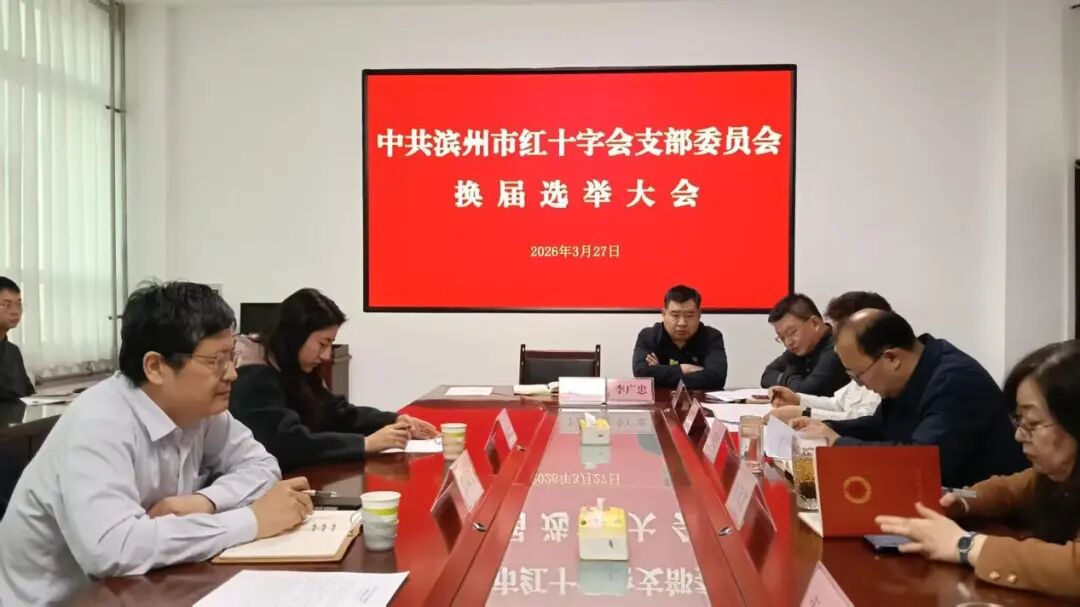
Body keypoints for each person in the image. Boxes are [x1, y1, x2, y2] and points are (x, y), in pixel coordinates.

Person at [0, 282, 312, 606]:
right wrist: (250, 521)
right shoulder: (98, 422)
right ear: (155, 367)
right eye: (216, 360)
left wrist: (205, 501)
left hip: (144, 589)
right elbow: (114, 549)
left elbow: (262, 465)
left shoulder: (200, 410)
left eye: (232, 356)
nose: (232, 374)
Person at [875, 341, 1080, 599]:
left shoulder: (952, 378)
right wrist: (960, 500)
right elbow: (1011, 488)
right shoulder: (1056, 474)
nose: (1019, 435)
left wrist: (965, 545)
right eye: (1019, 421)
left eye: (1033, 423)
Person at [794, 309, 1028, 488]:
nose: (859, 384)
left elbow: (922, 462)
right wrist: (827, 429)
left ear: (891, 358)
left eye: (858, 375)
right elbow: (881, 426)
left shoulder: (954, 381)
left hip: (991, 517)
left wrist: (838, 444)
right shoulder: (912, 372)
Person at [229, 288, 437, 471]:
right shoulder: (253, 376)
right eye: (322, 343)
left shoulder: (294, 367)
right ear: (295, 336)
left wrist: (393, 421)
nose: (327, 355)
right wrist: (365, 444)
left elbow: (336, 412)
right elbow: (286, 444)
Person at [768, 291, 891, 423]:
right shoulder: (860, 364)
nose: (836, 345)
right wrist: (797, 399)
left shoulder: (884, 368)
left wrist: (805, 413)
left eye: (840, 335)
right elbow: (837, 403)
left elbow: (868, 420)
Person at [632, 285, 727, 390]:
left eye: (689, 315)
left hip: (700, 400)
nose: (682, 323)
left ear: (699, 314)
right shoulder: (649, 336)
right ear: (664, 314)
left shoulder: (712, 337)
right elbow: (641, 374)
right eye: (675, 315)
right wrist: (684, 369)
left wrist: (660, 371)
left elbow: (717, 378)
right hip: (659, 400)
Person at [760, 293, 848, 396]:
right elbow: (767, 375)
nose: (788, 342)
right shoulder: (800, 349)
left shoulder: (837, 345)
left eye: (792, 332)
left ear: (815, 323)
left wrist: (789, 374)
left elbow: (808, 391)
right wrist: (791, 378)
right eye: (782, 338)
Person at [0, 277, 34, 400]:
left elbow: (29, 396)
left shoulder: (13, 351)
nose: (15, 311)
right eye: (6, 305)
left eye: (18, 304)